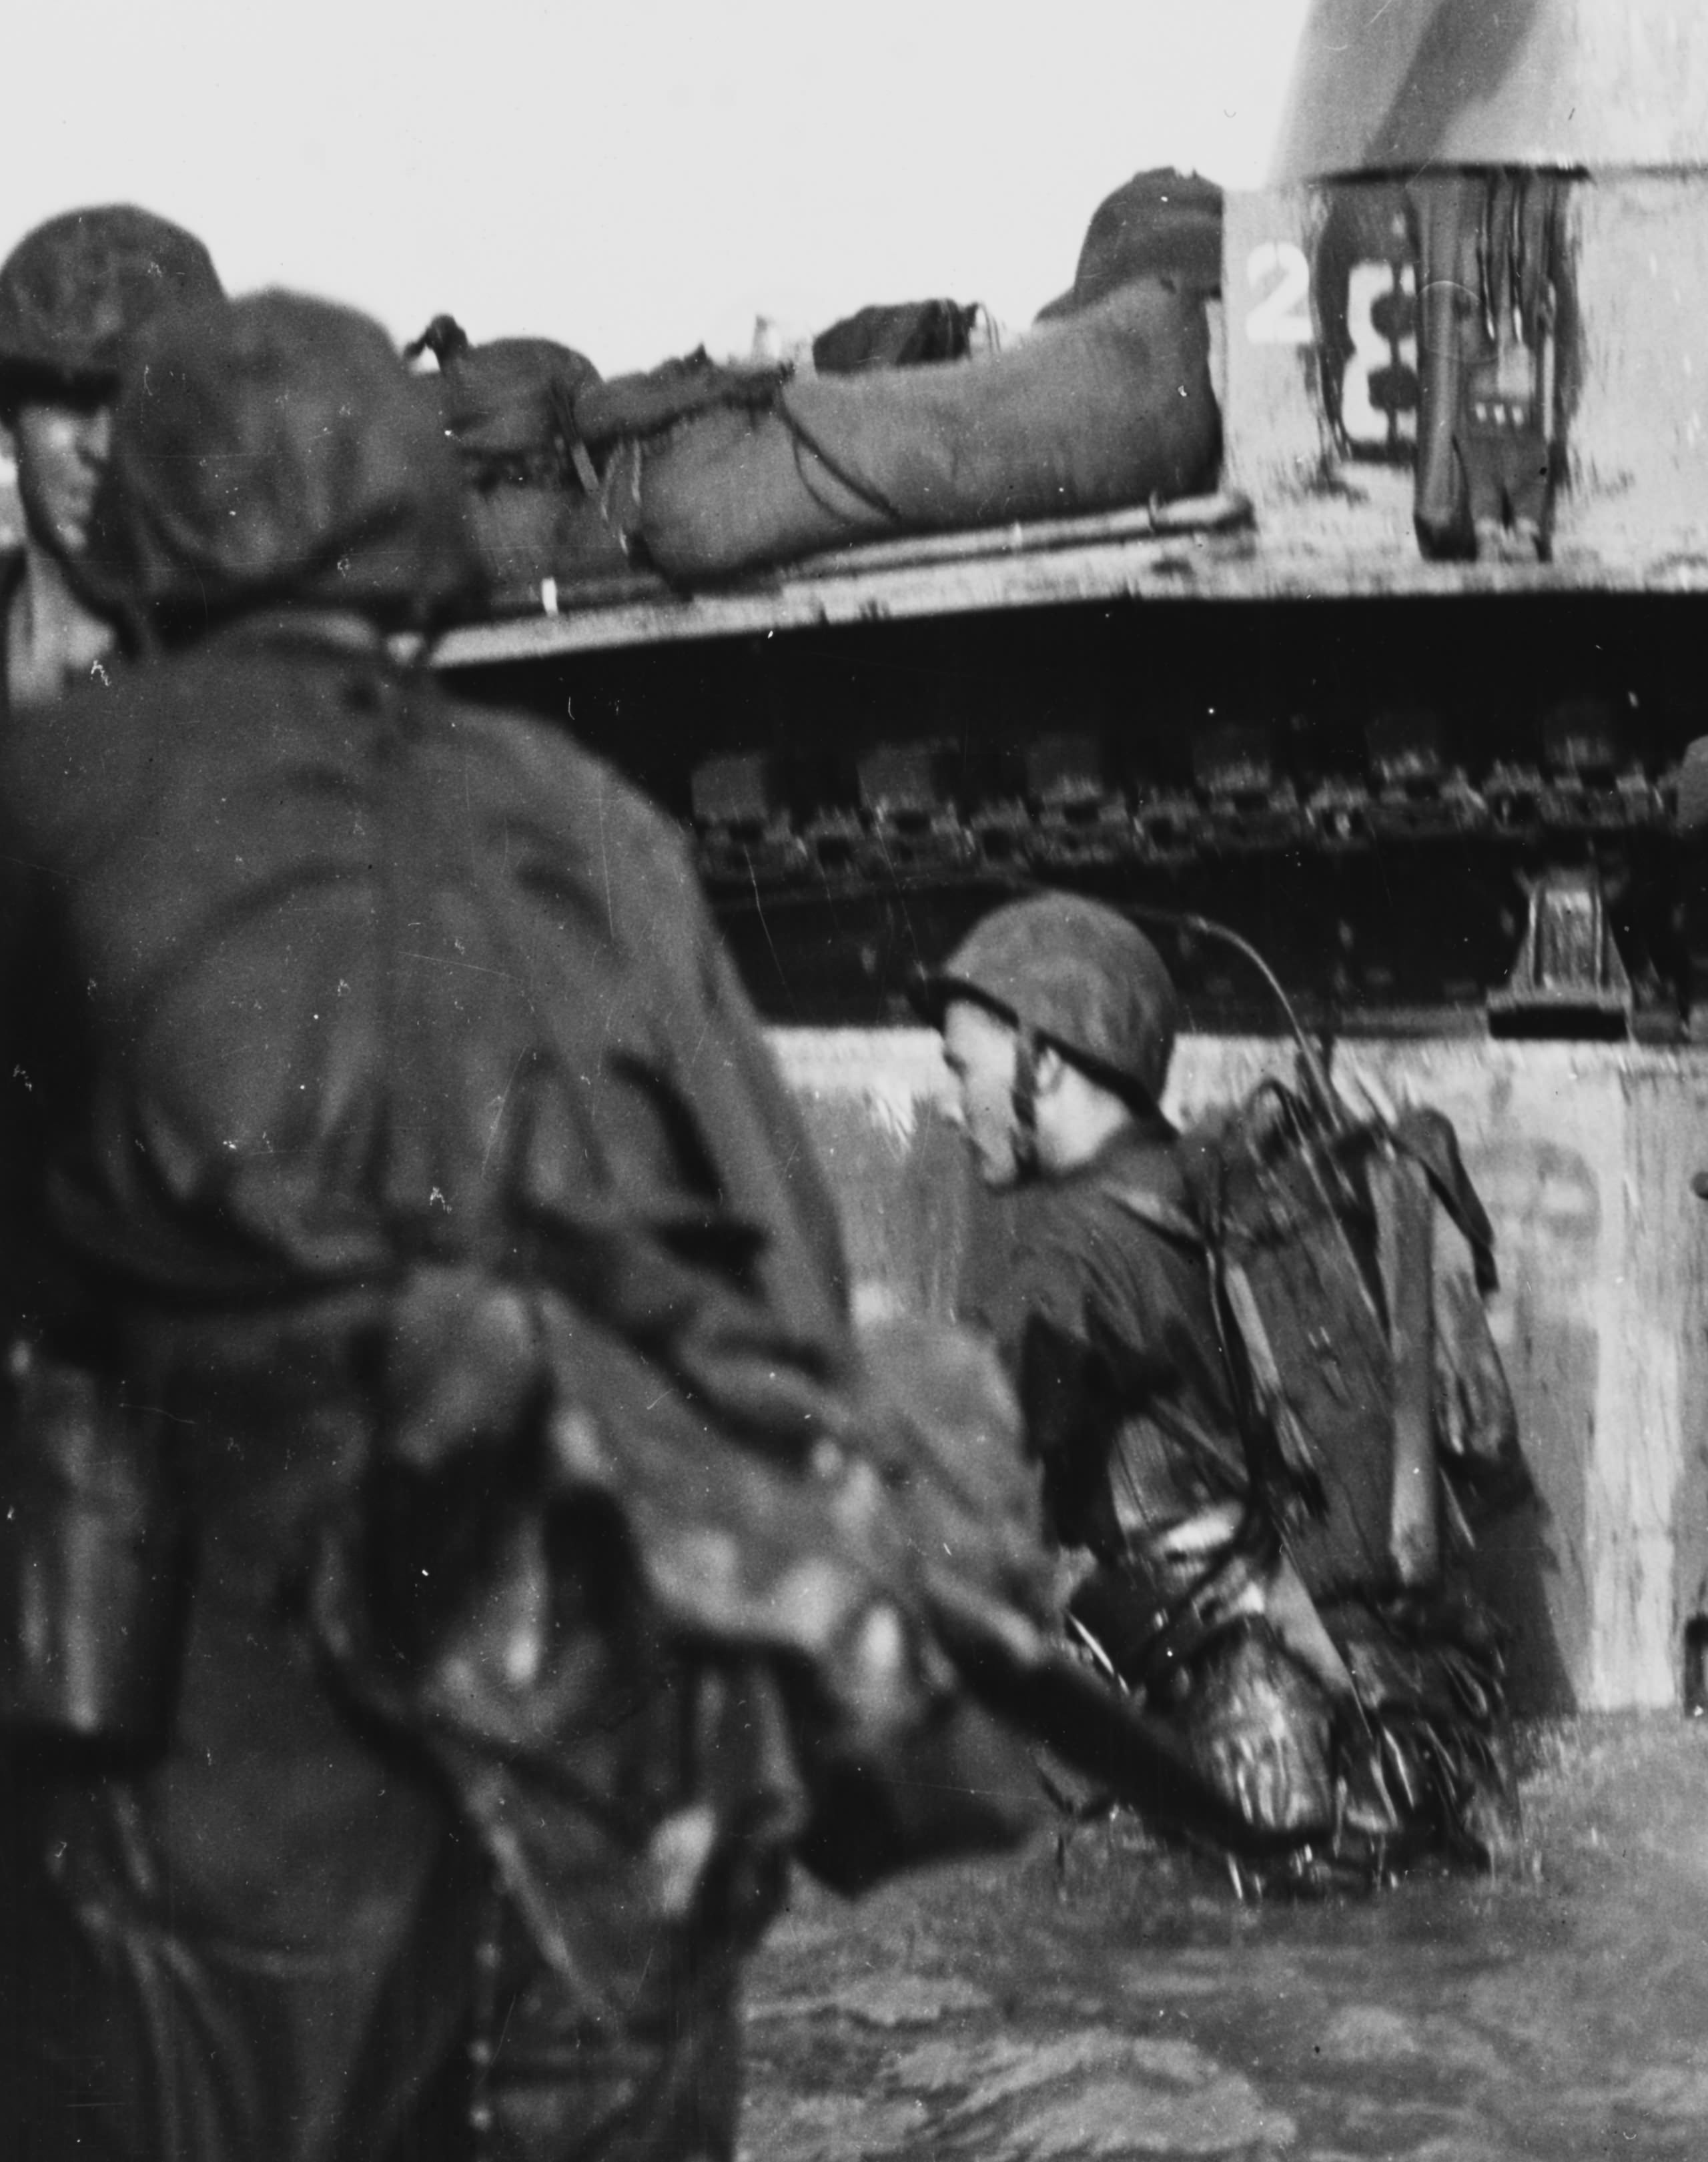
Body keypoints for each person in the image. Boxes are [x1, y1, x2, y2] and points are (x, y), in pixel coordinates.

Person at [0, 291, 1026, 2161]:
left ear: (139, 533)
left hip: (219, 1872)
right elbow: (788, 1302)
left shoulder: (50, 805)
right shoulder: (593, 826)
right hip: (612, 1858)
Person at [931, 890, 1528, 1880]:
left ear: (1040, 1057)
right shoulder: (1220, 1195)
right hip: (1401, 1742)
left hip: (1261, 1778)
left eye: (963, 1065)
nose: (951, 1103)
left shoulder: (1072, 1259)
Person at [0, 204, 221, 707]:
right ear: (7, 420)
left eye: (141, 404)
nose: (102, 448)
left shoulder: (237, 664)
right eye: (73, 400)